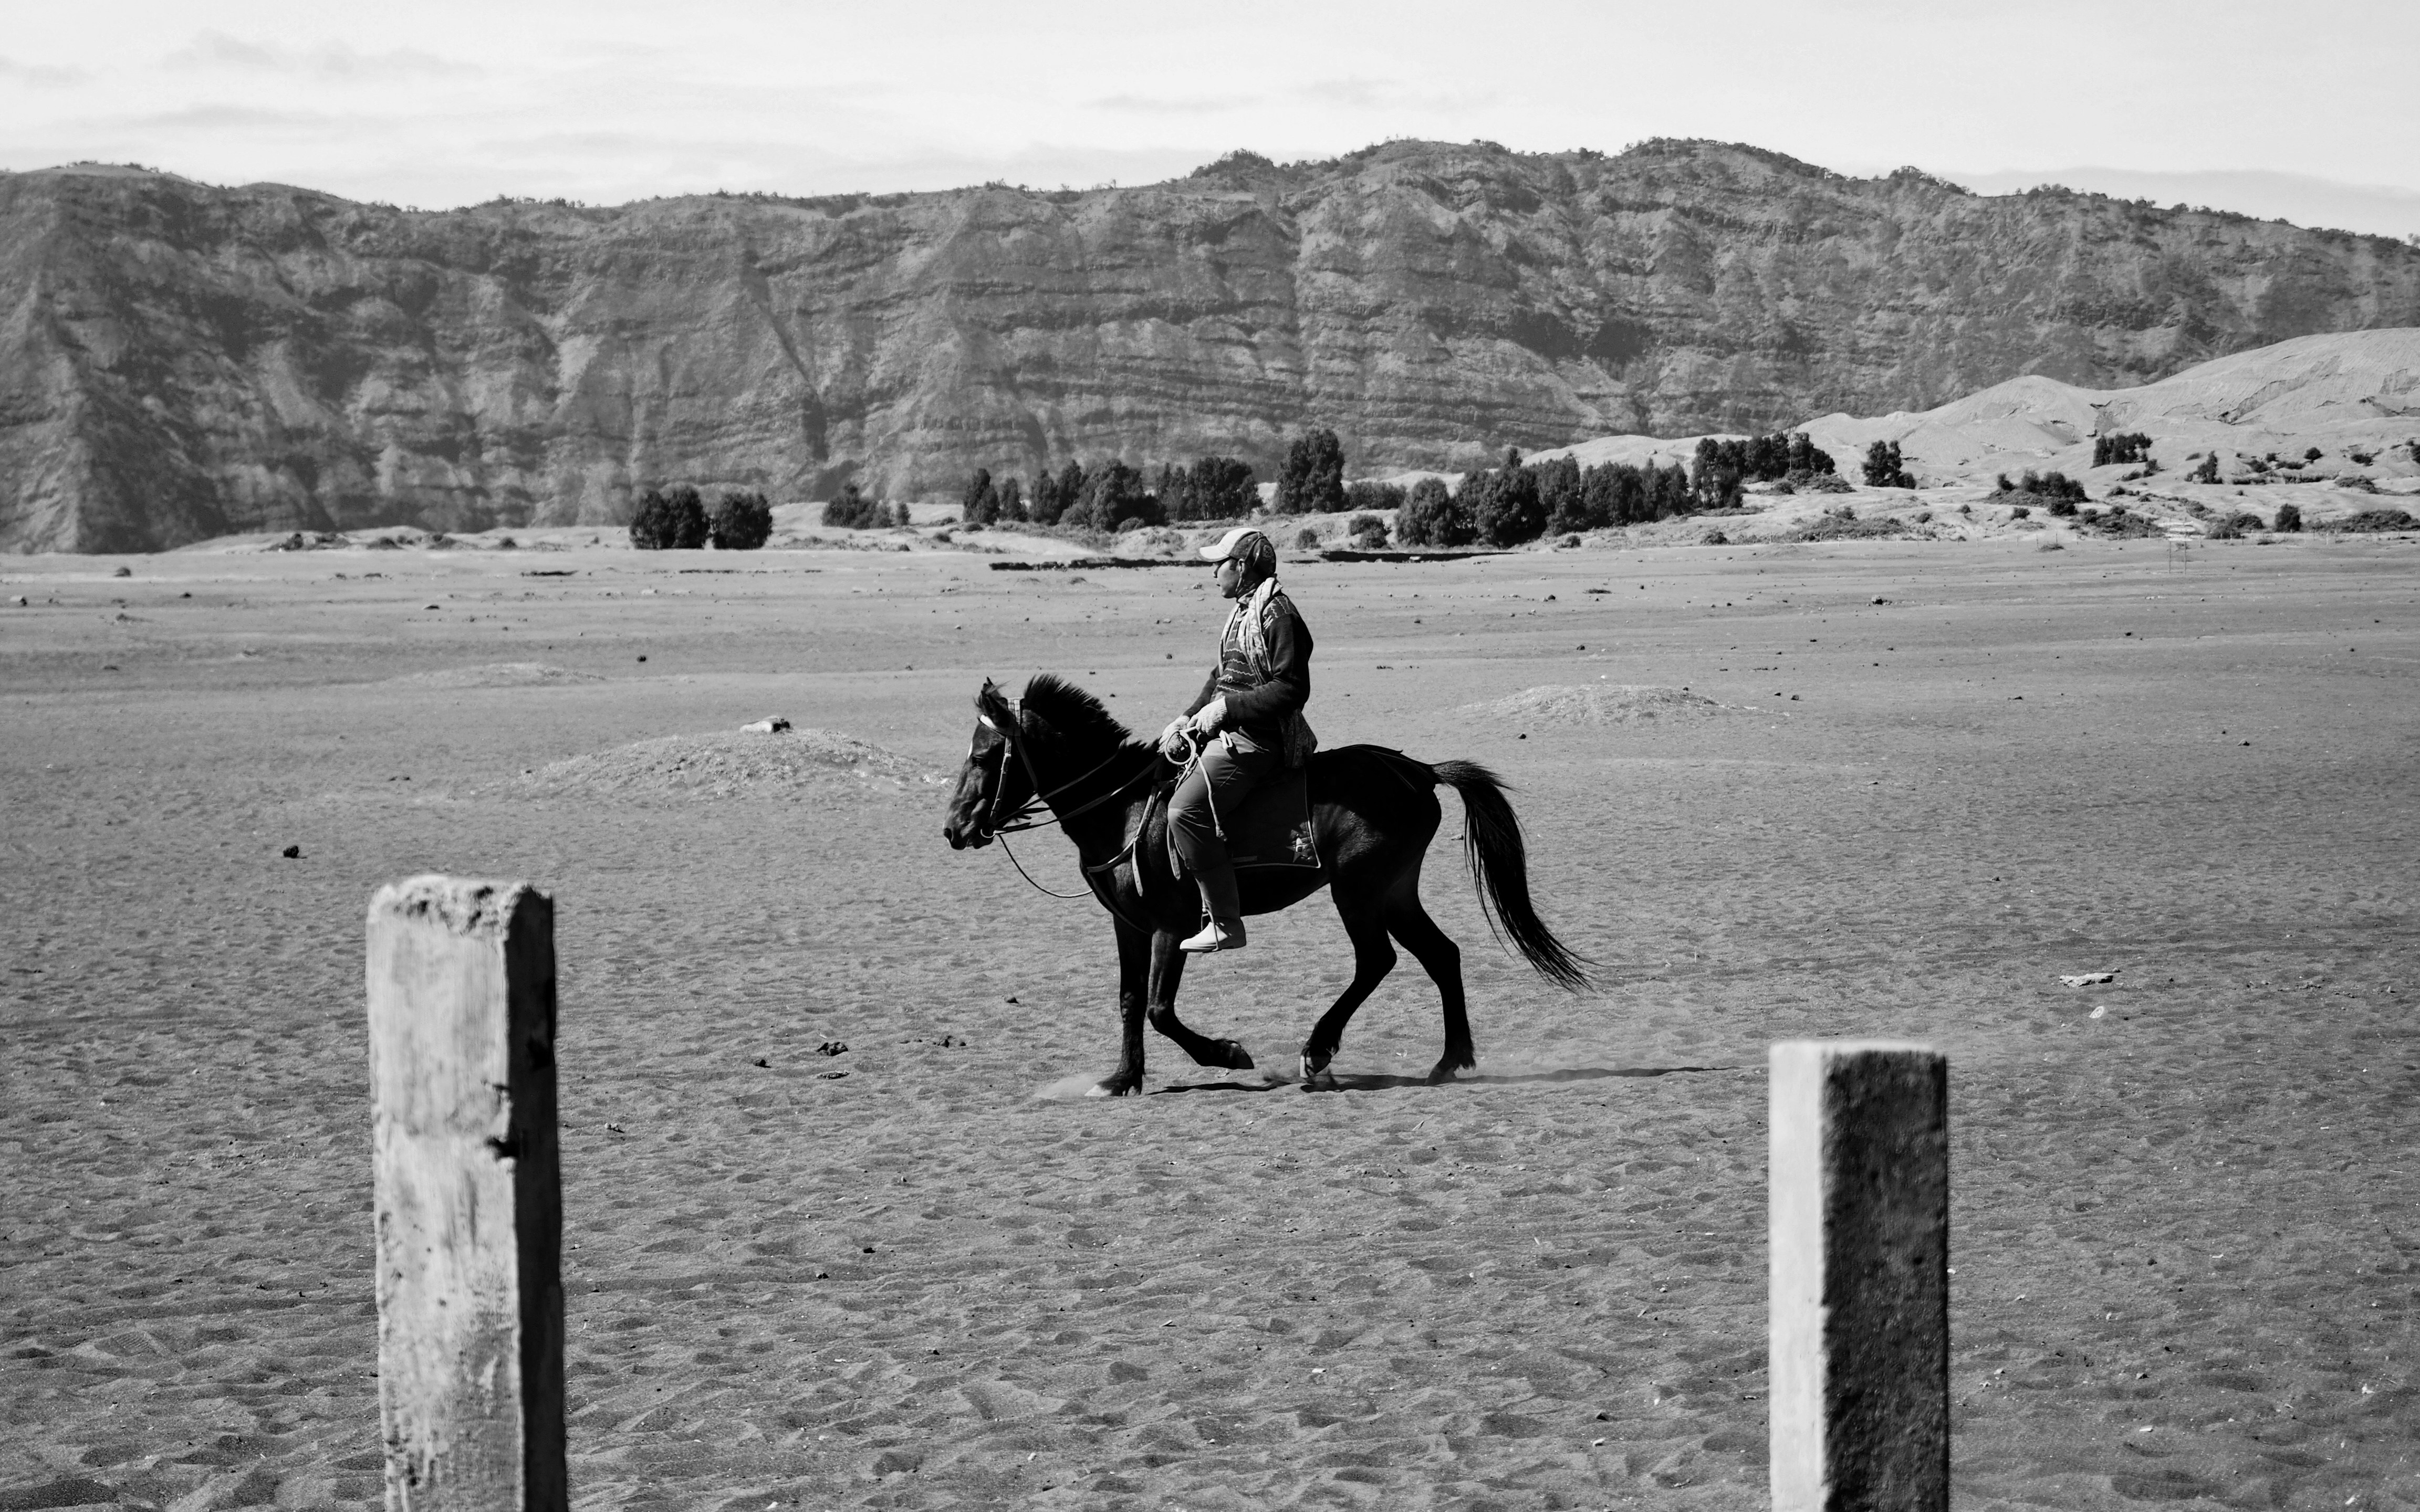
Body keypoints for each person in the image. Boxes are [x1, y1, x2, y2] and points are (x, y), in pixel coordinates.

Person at [1156, 526, 1316, 952]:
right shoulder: (1243, 614)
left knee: (1184, 811)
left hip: (1256, 740)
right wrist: (1187, 717)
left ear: (1241, 567)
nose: (1213, 574)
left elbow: (1291, 688)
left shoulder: (1278, 614)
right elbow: (1221, 678)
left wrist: (1227, 711)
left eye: (1219, 565)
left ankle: (1225, 922)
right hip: (1228, 731)